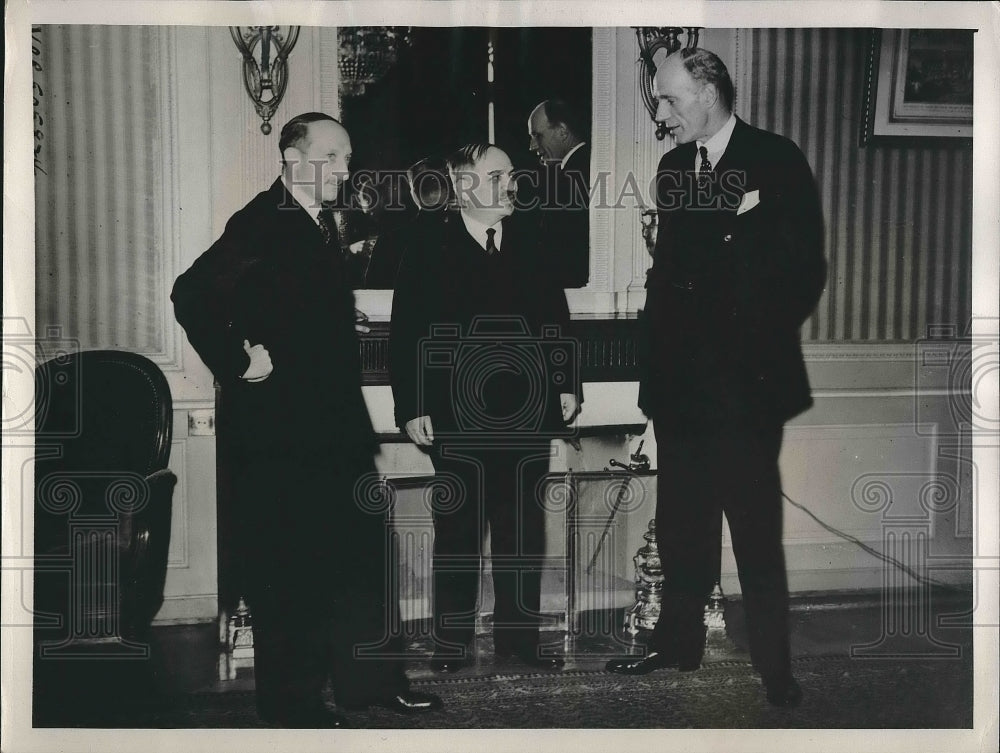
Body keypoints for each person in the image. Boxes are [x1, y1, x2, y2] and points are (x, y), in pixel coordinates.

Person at [171, 112, 441, 727]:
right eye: (333, 157)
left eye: (347, 157)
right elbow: (190, 292)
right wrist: (238, 359)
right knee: (290, 573)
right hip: (280, 440)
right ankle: (290, 708)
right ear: (293, 159)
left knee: (358, 559)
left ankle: (366, 682)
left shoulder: (316, 225)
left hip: (333, 432)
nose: (345, 170)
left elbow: (289, 308)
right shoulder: (261, 221)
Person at [604, 49, 826, 709]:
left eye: (671, 100)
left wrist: (741, 341)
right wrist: (654, 385)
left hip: (747, 387)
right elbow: (665, 282)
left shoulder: (776, 159)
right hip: (679, 387)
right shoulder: (675, 169)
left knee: (755, 532)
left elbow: (803, 270)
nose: (662, 115)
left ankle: (774, 668)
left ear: (709, 90)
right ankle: (677, 645)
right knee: (680, 526)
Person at [389, 143, 582, 672]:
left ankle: (518, 639)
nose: (511, 184)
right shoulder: (427, 245)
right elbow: (406, 334)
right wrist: (411, 406)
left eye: (512, 175)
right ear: (461, 184)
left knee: (522, 529)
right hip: (454, 414)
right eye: (497, 175)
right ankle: (451, 642)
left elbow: (556, 321)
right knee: (459, 529)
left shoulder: (532, 240)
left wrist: (567, 385)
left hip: (526, 411)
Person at [528, 99, 591, 288]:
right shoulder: (578, 168)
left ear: (563, 131)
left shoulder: (573, 176)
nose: (531, 146)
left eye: (537, 136)